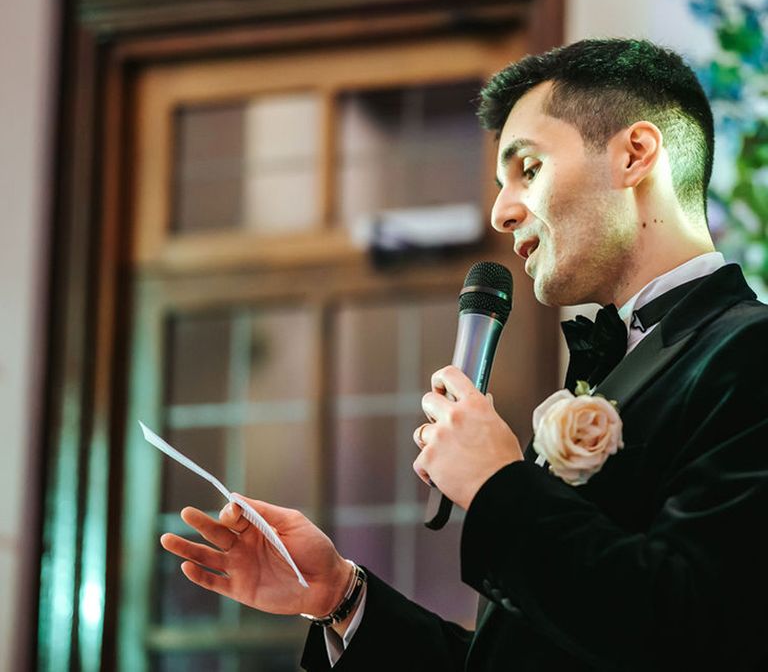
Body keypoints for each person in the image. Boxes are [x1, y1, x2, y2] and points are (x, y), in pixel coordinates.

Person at [160, 38, 768, 670]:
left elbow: (698, 628)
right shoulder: (608, 369)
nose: (502, 213)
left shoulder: (749, 351)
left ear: (635, 155)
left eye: (527, 170)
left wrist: (498, 485)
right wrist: (341, 596)